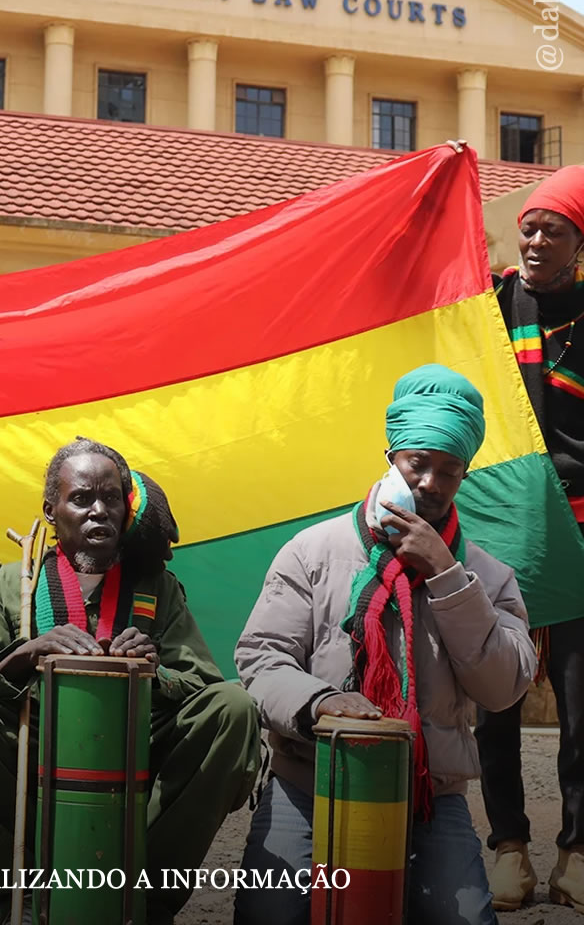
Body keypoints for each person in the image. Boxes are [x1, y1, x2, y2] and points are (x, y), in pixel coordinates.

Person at [0, 438, 261, 925]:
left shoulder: (155, 586)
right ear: (51, 511)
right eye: (81, 499)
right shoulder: (16, 584)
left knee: (234, 709)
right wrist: (23, 654)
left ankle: (143, 897)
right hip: (31, 743)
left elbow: (201, 684)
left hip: (136, 743)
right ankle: (22, 895)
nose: (99, 511)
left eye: (111, 498)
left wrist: (153, 671)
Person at [234, 364, 536, 925]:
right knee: (269, 916)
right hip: (310, 781)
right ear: (390, 456)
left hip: (430, 795)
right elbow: (261, 657)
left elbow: (502, 688)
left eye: (450, 471)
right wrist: (321, 703)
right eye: (418, 464)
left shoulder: (485, 576)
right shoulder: (313, 550)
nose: (431, 484)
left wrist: (447, 575)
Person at [478, 164, 584, 912]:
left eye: (554, 230)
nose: (537, 239)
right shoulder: (488, 302)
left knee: (583, 705)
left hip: (580, 530)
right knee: (496, 698)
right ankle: (508, 847)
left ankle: (576, 852)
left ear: (580, 243)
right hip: (502, 530)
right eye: (530, 226)